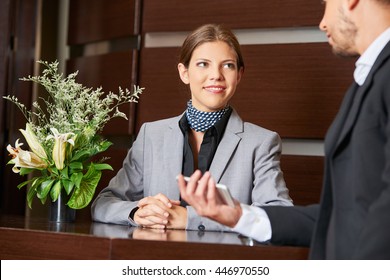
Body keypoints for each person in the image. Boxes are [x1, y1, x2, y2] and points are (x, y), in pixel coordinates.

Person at [178, 0, 390, 259]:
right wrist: (238, 215)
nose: (323, 22)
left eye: (326, 3)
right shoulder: (365, 82)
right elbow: (341, 219)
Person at [91, 24, 292, 231]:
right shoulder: (151, 135)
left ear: (239, 75)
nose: (216, 75)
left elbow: (279, 215)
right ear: (184, 72)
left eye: (228, 65)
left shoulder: (261, 142)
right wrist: (137, 213)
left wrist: (189, 218)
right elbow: (104, 203)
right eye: (203, 64)